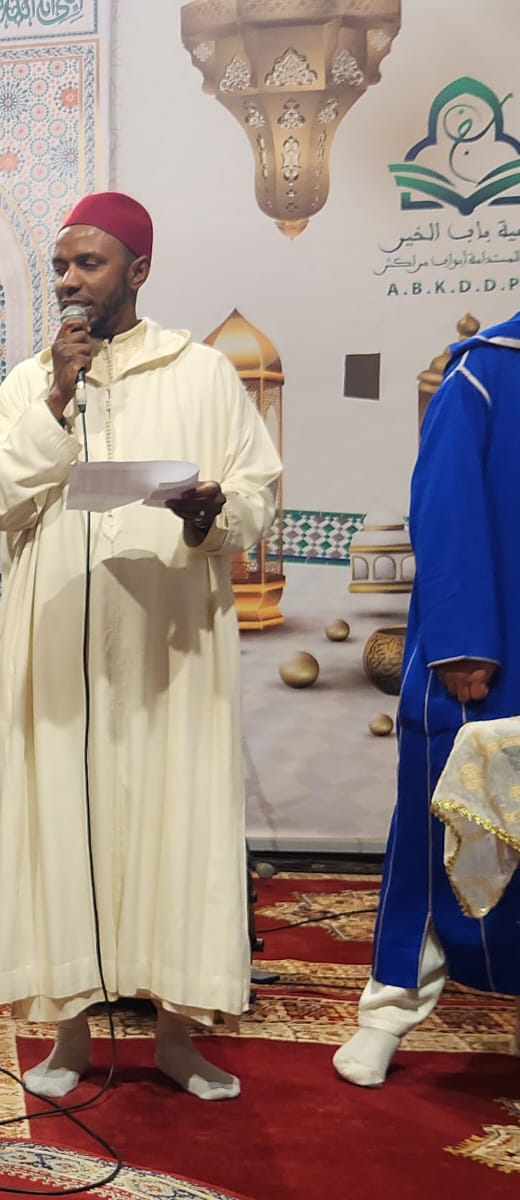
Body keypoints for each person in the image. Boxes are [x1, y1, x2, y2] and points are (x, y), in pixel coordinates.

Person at [0, 191, 282, 1102]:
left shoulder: (202, 374)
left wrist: (212, 510)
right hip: (54, 641)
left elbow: (258, 492)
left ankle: (178, 1038)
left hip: (166, 645)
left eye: (89, 263)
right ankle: (68, 1035)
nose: (69, 280)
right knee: (58, 825)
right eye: (61, 266)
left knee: (175, 821)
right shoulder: (32, 382)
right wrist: (57, 399)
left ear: (138, 271)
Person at [333, 310, 520, 1088]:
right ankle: (390, 1008)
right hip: (495, 649)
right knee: (439, 826)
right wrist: (463, 639)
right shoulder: (487, 369)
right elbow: (444, 504)